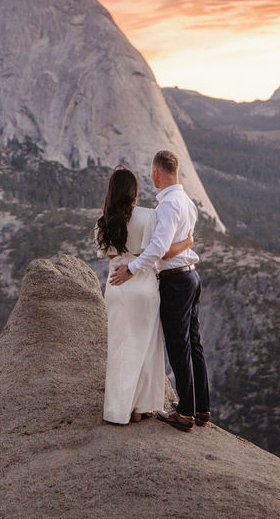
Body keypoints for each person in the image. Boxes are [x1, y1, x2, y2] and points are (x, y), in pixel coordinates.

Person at [109, 150, 209, 432]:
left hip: (175, 280)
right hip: (192, 276)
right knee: (195, 344)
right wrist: (186, 244)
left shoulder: (166, 205)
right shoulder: (187, 202)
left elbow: (159, 249)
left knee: (179, 347)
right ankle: (201, 408)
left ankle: (186, 414)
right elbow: (181, 242)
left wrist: (132, 269)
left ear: (156, 173)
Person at [96, 167, 193, 425]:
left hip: (117, 285)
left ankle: (117, 410)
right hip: (144, 286)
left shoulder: (104, 220)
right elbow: (157, 251)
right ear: (134, 192)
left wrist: (126, 260)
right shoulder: (149, 216)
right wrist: (186, 244)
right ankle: (141, 408)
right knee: (146, 347)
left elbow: (109, 255)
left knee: (120, 348)